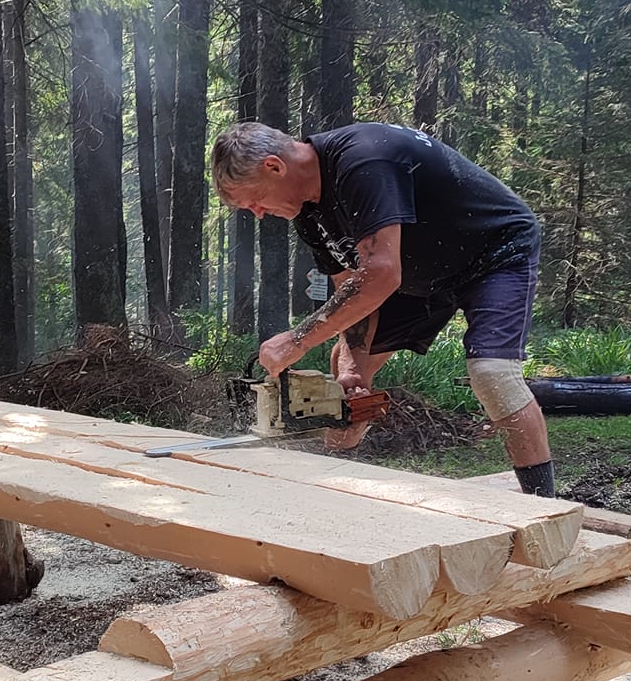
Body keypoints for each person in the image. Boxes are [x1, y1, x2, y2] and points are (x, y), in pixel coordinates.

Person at [209, 119, 556, 496]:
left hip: (494, 253)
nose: (258, 212)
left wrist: (297, 340)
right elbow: (350, 293)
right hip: (419, 272)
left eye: (255, 199)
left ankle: (544, 508)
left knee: (493, 375)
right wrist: (354, 372)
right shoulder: (308, 215)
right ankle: (335, 490)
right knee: (342, 372)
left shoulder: (363, 160)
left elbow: (381, 273)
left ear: (274, 166)